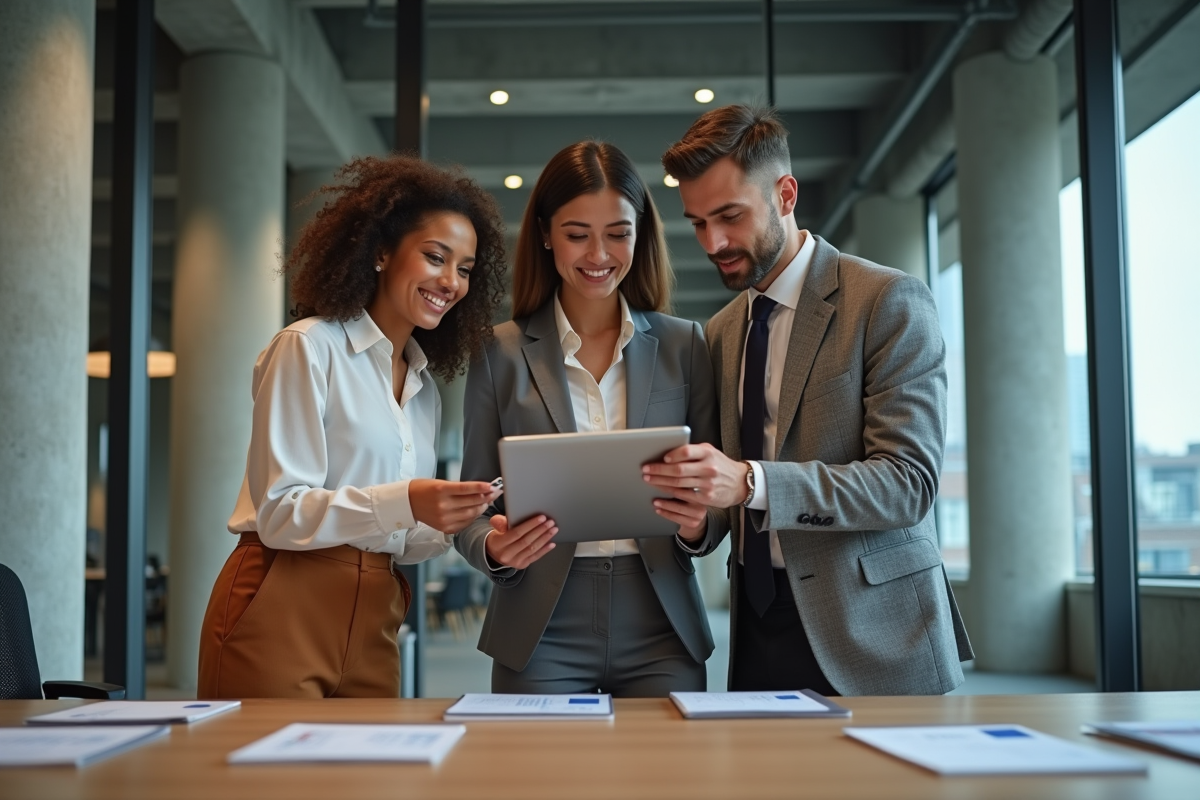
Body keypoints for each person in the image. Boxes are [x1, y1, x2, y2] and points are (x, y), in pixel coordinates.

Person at [644, 105, 973, 696]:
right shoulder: (719, 332)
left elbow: (908, 484)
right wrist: (698, 521)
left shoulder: (887, 301)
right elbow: (726, 496)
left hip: (873, 629)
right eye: (697, 223)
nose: (713, 242)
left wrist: (749, 482)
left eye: (730, 216)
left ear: (786, 193)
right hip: (755, 627)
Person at [197, 156, 507, 699]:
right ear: (382, 252)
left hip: (376, 616)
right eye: (435, 257)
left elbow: (403, 538)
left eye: (464, 269)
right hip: (282, 601)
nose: (450, 281)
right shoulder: (309, 347)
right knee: (264, 782)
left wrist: (461, 520)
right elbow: (280, 512)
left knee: (366, 781)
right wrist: (408, 498)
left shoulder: (421, 385)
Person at [454, 141, 721, 696]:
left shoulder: (684, 346)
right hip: (540, 623)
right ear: (546, 233)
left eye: (618, 233)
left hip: (661, 621)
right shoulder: (497, 353)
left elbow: (713, 497)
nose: (598, 254)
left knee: (666, 784)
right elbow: (470, 504)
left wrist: (699, 523)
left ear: (640, 234)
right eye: (577, 234)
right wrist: (492, 546)